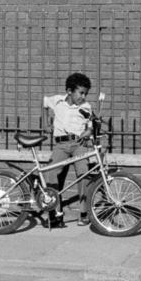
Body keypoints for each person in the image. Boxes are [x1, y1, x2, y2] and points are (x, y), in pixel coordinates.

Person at [43, 72, 96, 229]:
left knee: (83, 172)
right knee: (51, 173)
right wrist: (46, 123)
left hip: (78, 143)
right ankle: (55, 214)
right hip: (61, 145)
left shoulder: (86, 106)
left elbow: (90, 126)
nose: (83, 96)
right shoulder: (57, 101)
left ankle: (84, 214)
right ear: (69, 91)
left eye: (85, 93)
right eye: (80, 93)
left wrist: (88, 132)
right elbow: (44, 103)